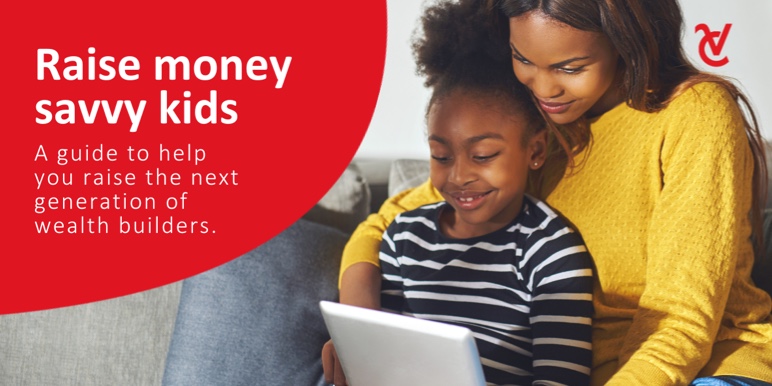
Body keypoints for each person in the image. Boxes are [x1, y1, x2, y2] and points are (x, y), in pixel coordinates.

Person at [336, 0, 772, 385]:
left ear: (624, 42)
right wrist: (354, 335)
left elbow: (679, 324)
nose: (544, 89)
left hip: (706, 367)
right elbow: (381, 226)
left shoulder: (694, 115)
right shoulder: (536, 127)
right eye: (522, 58)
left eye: (570, 68)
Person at [325, 2, 594, 383]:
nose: (459, 176)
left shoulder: (549, 250)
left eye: (483, 155)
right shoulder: (403, 237)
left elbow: (561, 378)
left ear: (534, 151)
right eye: (441, 155)